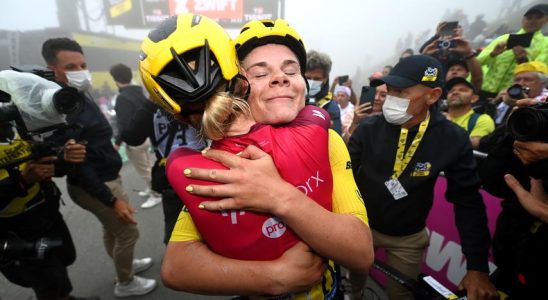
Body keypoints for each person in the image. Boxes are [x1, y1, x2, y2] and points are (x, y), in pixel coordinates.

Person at [156, 17, 373, 298]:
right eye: (259, 73)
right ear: (238, 88)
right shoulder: (218, 158)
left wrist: (278, 196)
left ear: (302, 83)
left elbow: (360, 253)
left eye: (291, 70)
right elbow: (176, 267)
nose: (280, 77)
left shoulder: (327, 140)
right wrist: (275, 277)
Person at [347, 55, 498, 300]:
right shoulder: (369, 128)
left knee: (403, 295)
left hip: (408, 237)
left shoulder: (452, 138)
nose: (391, 99)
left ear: (433, 95)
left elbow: (468, 202)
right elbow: (343, 174)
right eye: (390, 91)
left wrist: (477, 267)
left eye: (401, 93)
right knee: (353, 286)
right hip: (360, 226)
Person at [41, 37, 156, 298]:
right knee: (128, 231)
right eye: (71, 67)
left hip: (107, 176)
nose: (80, 71)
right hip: (96, 185)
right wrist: (111, 200)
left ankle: (123, 266)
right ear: (52, 70)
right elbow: (77, 165)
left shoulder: (78, 94)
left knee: (112, 229)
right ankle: (125, 282)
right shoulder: (59, 107)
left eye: (82, 65)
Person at [0, 71, 95, 300]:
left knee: (64, 257)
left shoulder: (16, 127)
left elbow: (44, 164)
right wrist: (22, 181)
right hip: (15, 227)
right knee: (46, 279)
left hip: (45, 212)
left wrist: (66, 158)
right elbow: (28, 175)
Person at [109, 63, 162, 209]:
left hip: (135, 139)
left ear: (115, 79)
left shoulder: (122, 98)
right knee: (148, 165)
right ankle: (152, 187)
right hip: (146, 137)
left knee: (144, 170)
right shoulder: (139, 92)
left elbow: (123, 124)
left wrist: (118, 142)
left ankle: (156, 193)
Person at [476, 4, 548, 99]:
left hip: (514, 96)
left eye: (538, 18)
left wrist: (523, 61)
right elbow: (478, 62)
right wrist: (492, 54)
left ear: (546, 20)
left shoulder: (545, 43)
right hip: (484, 92)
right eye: (529, 18)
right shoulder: (504, 38)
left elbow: (541, 74)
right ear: (523, 20)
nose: (532, 21)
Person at [445, 77, 495, 149]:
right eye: (451, 91)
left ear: (474, 98)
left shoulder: (483, 119)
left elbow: (474, 144)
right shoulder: (434, 115)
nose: (455, 92)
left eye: (462, 90)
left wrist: (444, 124)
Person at [305, 49, 342, 135]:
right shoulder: (292, 100)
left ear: (325, 79)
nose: (312, 82)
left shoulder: (332, 108)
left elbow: (337, 140)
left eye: (317, 79)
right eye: (308, 78)